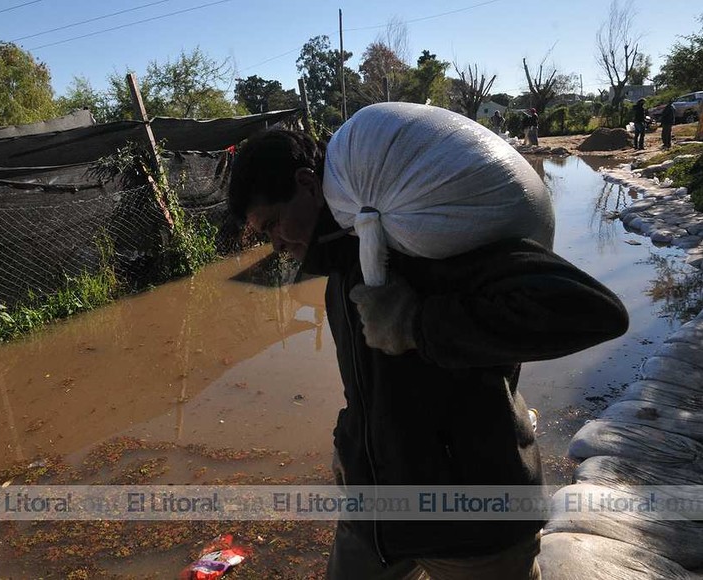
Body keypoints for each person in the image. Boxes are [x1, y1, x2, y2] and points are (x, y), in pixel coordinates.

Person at [227, 120, 629, 580]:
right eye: (264, 233)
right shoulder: (341, 268)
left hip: (476, 526)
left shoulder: (424, 235)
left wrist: (418, 323)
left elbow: (592, 310)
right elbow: (370, 387)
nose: (276, 243)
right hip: (376, 521)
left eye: (274, 223)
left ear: (305, 184)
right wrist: (351, 445)